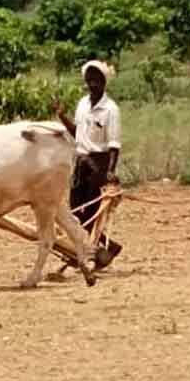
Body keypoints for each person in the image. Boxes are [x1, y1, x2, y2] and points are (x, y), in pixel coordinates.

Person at [53, 59, 123, 269]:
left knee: (92, 211)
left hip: (98, 163)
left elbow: (114, 144)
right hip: (81, 160)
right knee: (76, 209)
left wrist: (110, 171)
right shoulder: (83, 104)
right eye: (89, 80)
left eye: (96, 80)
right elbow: (77, 133)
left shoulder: (110, 109)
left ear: (104, 82)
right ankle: (107, 247)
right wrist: (61, 115)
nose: (92, 84)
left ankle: (91, 251)